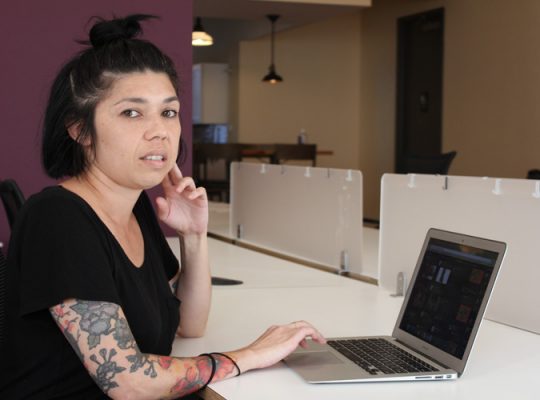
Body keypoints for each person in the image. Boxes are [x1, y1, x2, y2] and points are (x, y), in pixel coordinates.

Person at [1, 14, 325, 399]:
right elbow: (127, 382)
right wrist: (250, 355)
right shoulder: (59, 218)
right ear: (80, 129)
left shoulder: (133, 206)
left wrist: (193, 235)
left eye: (168, 112)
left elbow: (189, 324)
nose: (159, 131)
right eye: (132, 112)